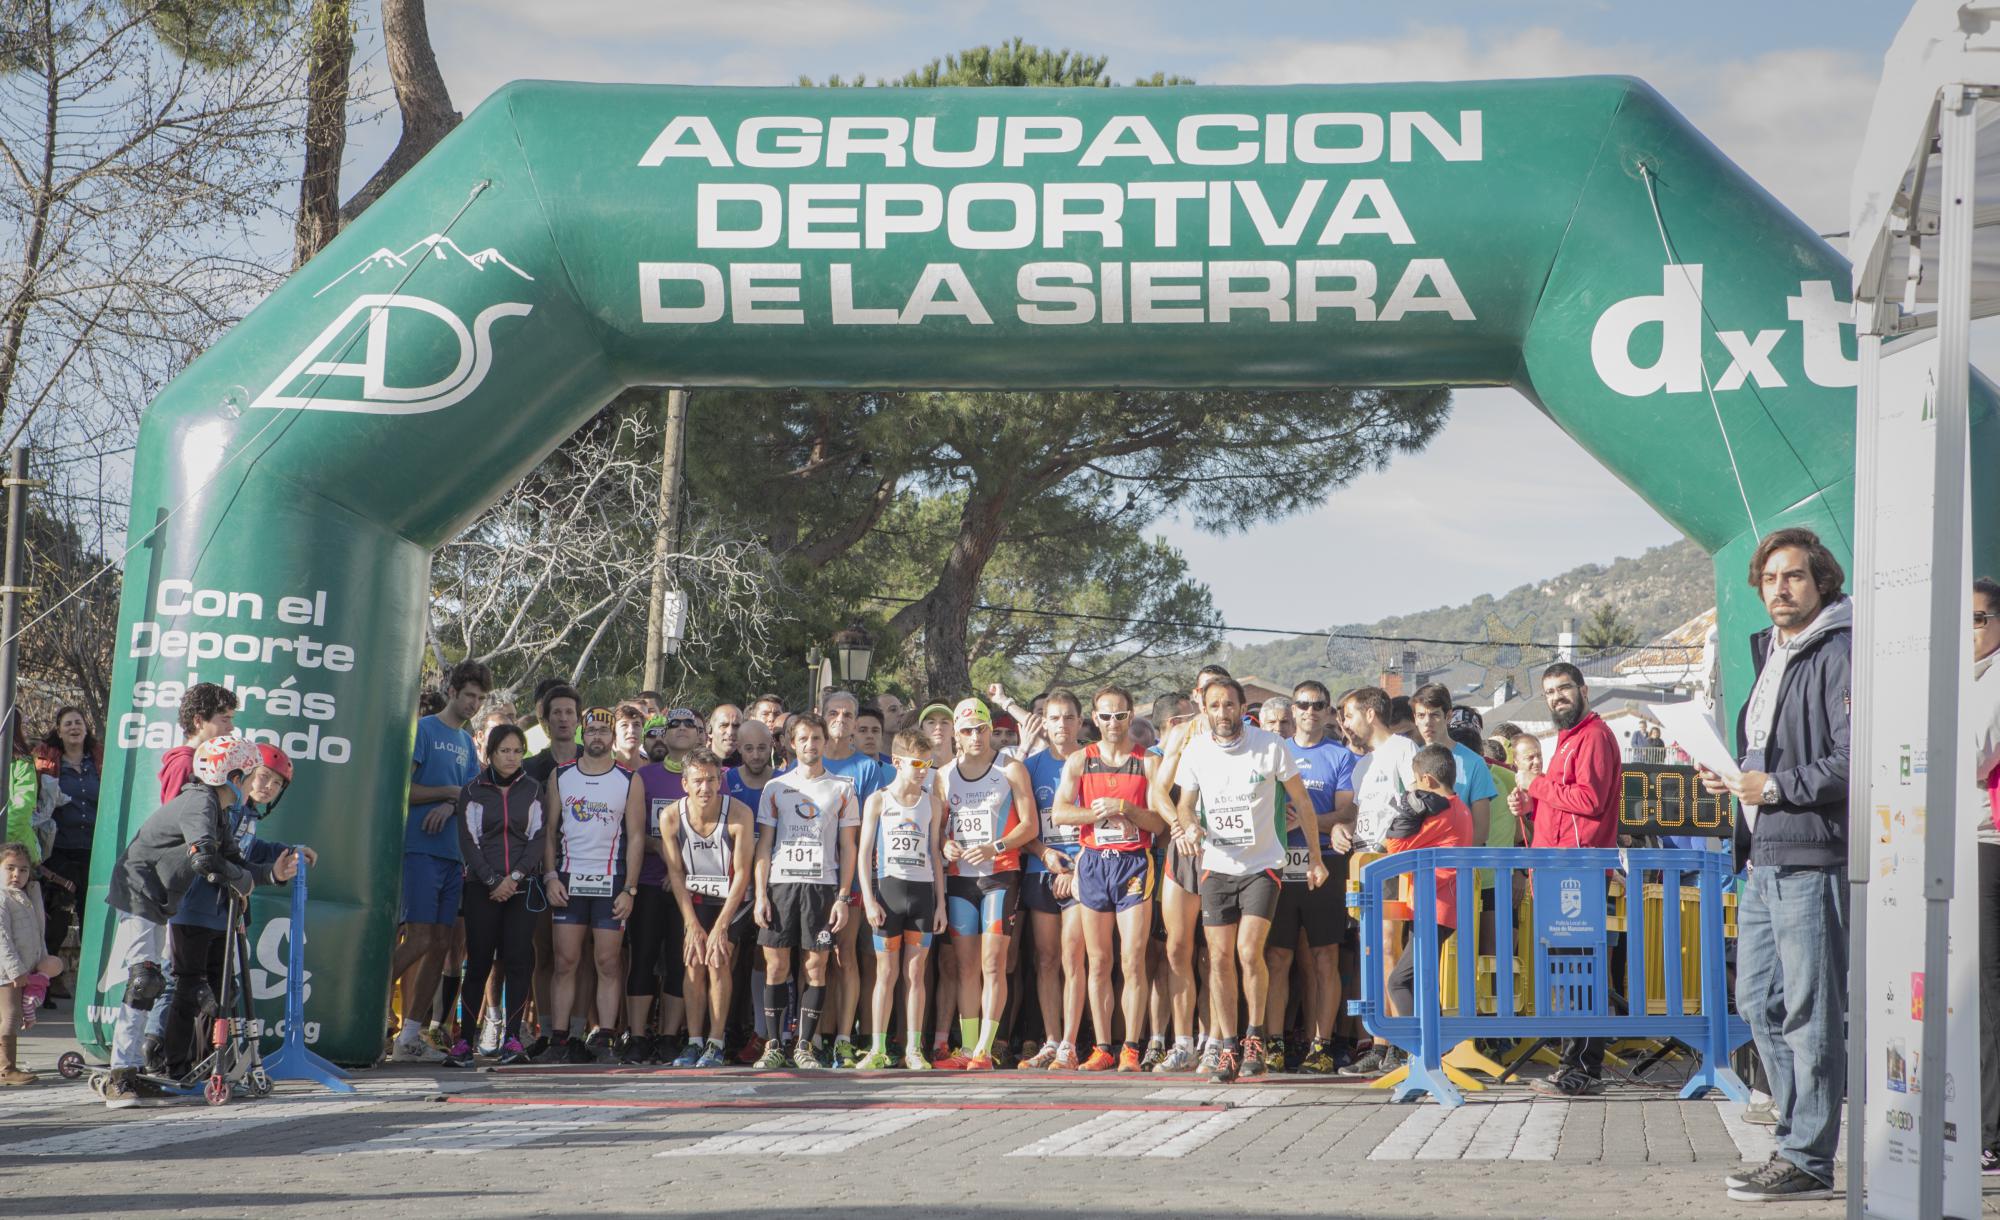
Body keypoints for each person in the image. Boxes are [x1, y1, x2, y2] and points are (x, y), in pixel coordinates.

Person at [1698, 527, 1853, 1203]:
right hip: (1764, 853)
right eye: (1769, 579)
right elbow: (1767, 754)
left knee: (1811, 1013)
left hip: (1813, 851)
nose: (1780, 588)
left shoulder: (1838, 650)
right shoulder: (1773, 655)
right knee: (1757, 999)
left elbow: (1856, 755)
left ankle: (1810, 1157)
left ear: (1822, 580)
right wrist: (1736, 780)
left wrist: (1779, 788)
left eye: (1793, 576)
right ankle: (1796, 1136)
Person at [103, 735, 294, 1107]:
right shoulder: (199, 802)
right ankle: (120, 1076)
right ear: (234, 776)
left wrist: (272, 873)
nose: (252, 781)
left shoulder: (217, 811)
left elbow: (235, 862)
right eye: (249, 773)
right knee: (145, 979)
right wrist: (243, 879)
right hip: (139, 887)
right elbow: (204, 859)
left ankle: (133, 1069)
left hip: (158, 896)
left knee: (155, 980)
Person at [1169, 678, 1325, 1083]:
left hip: (1262, 865)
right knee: (1218, 958)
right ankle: (1227, 1044)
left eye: (1230, 705)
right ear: (1205, 709)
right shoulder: (1197, 750)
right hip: (1217, 866)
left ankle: (1255, 1036)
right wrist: (1189, 827)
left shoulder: (1270, 746)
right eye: (1215, 706)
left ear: (1242, 707)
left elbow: (1302, 802)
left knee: (1247, 950)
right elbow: (1185, 804)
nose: (1223, 713)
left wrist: (1316, 858)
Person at [153, 746, 314, 1078]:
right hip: (194, 909)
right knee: (190, 987)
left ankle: (209, 1059)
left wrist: (287, 851)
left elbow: (250, 849)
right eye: (263, 777)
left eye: (276, 784)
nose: (267, 786)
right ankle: (169, 1060)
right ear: (243, 775)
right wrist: (267, 873)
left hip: (220, 914)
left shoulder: (246, 816)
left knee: (220, 989)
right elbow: (227, 859)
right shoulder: (228, 811)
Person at [1507, 662, 1621, 1097]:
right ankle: (1573, 1064)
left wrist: (1535, 785)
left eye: (1564, 689)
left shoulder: (1592, 735)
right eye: (1550, 692)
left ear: (1584, 690)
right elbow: (1561, 807)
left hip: (1579, 871)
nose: (1557, 697)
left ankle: (1584, 1069)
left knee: (1581, 972)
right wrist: (1530, 805)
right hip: (1558, 870)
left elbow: (1589, 801)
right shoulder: (1568, 740)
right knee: (1567, 972)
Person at [1053, 685, 1164, 1072]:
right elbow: (1059, 813)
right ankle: (1102, 1047)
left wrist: (1127, 809)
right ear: (1094, 719)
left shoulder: (1147, 762)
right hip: (1095, 864)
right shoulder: (1081, 761)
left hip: (1134, 865)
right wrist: (1096, 815)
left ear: (1131, 716)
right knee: (1098, 961)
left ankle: (1131, 1046)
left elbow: (1160, 822)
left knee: (1132, 959)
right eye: (1105, 716)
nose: (1113, 723)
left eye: (1120, 715)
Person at [388, 660, 488, 1063]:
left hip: (453, 855)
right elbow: (404, 791)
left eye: (480, 699)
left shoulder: (467, 743)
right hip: (419, 849)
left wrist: (451, 803)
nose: (473, 704)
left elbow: (470, 799)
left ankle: (410, 1036)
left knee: (444, 944)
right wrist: (450, 792)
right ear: (452, 690)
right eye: (468, 696)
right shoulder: (425, 730)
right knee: (421, 937)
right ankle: (363, 1008)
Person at [936, 697, 1039, 1071]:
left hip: (999, 876)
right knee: (965, 968)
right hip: (960, 879)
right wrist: (944, 844)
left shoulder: (1011, 769)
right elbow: (938, 828)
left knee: (993, 964)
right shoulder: (944, 774)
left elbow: (1029, 826)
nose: (976, 737)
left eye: (982, 729)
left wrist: (995, 845)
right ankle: (966, 1049)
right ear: (956, 737)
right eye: (967, 731)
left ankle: (985, 1048)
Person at [752, 714, 860, 1070]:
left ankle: (804, 1046)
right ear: (791, 743)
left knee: (816, 967)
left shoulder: (842, 787)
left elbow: (849, 848)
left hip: (822, 887)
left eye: (817, 738)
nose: (811, 745)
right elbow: (764, 845)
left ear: (825, 742)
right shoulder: (775, 788)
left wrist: (843, 897)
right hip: (781, 885)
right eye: (803, 739)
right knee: (776, 966)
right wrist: (761, 894)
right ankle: (773, 1044)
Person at [541, 707, 648, 1063]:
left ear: (612, 738)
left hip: (611, 880)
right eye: (592, 731)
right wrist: (550, 875)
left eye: (604, 731)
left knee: (608, 961)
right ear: (581, 735)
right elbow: (550, 833)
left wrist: (629, 889)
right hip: (569, 879)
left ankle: (604, 1038)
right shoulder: (561, 775)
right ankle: (558, 1039)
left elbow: (635, 838)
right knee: (565, 961)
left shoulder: (629, 779)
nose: (598, 737)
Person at [1148, 662, 1235, 1074]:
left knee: (1217, 955)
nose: (1211, 702)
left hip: (1227, 853)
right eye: (1204, 693)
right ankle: (1183, 1043)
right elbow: (1158, 792)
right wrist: (1178, 825)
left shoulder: (1245, 737)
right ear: (1196, 696)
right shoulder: (1184, 733)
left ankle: (1216, 1040)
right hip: (1185, 850)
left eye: (1220, 695)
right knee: (1177, 949)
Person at [447, 724, 545, 1068]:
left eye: (518, 751)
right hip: (481, 887)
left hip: (522, 887)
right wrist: (492, 880)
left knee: (519, 961)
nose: (512, 757)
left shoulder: (532, 788)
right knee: (478, 964)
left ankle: (514, 1038)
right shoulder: (473, 790)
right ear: (490, 754)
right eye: (505, 750)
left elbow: (536, 839)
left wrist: (515, 878)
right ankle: (464, 1042)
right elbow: (468, 841)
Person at [856, 731, 948, 1070]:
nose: (923, 770)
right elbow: (864, 854)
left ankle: (913, 1048)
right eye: (917, 764)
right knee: (886, 973)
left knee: (916, 973)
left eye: (928, 764)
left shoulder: (931, 802)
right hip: (889, 894)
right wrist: (869, 899)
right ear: (897, 762)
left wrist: (940, 904)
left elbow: (936, 856)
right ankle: (877, 1048)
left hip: (922, 895)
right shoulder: (879, 800)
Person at [1280, 680, 1357, 1074]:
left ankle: (1321, 1046)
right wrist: (1283, 819)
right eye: (1304, 704)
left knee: (1324, 957)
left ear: (1329, 713)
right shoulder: (1277, 751)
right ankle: (1274, 1042)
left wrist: (1307, 819)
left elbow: (1346, 814)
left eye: (1319, 706)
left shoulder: (1340, 756)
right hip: (1278, 864)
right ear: (1292, 710)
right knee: (1279, 958)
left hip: (1323, 862)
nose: (1311, 711)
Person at [662, 748, 755, 1069]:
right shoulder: (671, 816)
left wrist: (720, 927)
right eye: (698, 781)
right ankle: (693, 1041)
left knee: (717, 960)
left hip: (734, 899)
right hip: (696, 896)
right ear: (685, 783)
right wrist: (691, 924)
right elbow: (675, 872)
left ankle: (716, 1041)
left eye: (712, 780)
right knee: (693, 961)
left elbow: (743, 873)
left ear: (721, 781)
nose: (706, 788)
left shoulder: (739, 813)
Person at [820, 691, 890, 1067]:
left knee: (846, 957)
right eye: (834, 713)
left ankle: (845, 1038)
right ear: (821, 715)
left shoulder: (866, 767)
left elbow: (867, 828)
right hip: (810, 875)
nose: (841, 719)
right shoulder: (807, 757)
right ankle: (814, 1035)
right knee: (815, 960)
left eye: (848, 714)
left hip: (851, 877)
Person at [1017, 691, 1087, 1069]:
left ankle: (1071, 1045)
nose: (1061, 725)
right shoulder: (1030, 766)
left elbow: (1102, 823)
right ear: (1044, 722)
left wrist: (1075, 868)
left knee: (1074, 957)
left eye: (1068, 718)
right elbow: (1023, 826)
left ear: (1080, 721)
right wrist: (1045, 854)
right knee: (1045, 960)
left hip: (1085, 871)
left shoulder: (1091, 762)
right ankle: (1051, 1039)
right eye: (1054, 718)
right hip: (1040, 870)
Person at [1380, 746, 1475, 1023]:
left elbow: (1395, 847)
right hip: (1436, 906)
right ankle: (1436, 1045)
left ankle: (1422, 1048)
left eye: (1416, 781)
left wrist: (1407, 814)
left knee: (1398, 982)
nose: (1414, 789)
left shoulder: (1444, 814)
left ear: (1428, 781)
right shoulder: (1459, 808)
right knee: (1423, 982)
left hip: (1434, 907)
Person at [627, 705, 699, 1063]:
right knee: (640, 958)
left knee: (679, 962)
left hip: (691, 887)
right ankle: (638, 1037)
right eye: (674, 724)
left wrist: (682, 873)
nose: (682, 728)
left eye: (691, 723)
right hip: (650, 882)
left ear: (701, 735)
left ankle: (671, 1036)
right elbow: (637, 834)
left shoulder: (713, 777)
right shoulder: (645, 776)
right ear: (661, 735)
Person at [725, 718, 778, 1063]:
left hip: (777, 881)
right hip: (731, 883)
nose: (756, 755)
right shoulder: (726, 781)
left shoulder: (785, 781)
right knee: (727, 957)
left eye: (762, 747)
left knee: (768, 956)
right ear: (738, 749)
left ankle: (765, 1032)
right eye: (749, 748)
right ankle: (722, 1033)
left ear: (772, 745)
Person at [38, 706, 100, 970]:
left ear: (86, 729)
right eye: (68, 724)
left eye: (79, 723)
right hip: (60, 851)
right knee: (57, 922)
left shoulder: (98, 762)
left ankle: (91, 981)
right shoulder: (50, 764)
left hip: (94, 851)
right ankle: (45, 985)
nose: (74, 728)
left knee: (92, 918)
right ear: (59, 732)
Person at [0, 841, 63, 1085]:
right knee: (10, 1017)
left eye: (23, 870)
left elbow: (35, 934)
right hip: (7, 971)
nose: (17, 874)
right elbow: (2, 938)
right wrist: (16, 970)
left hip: (20, 969)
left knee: (11, 1016)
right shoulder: (3, 899)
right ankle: (7, 1068)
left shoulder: (22, 897)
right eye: (10, 868)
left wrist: (40, 961)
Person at [1975, 577, 2000, 1173]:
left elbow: (1973, 750)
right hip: (1958, 842)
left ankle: (1993, 1131)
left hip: (1988, 844)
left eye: (1976, 619)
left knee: (1987, 991)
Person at [1409, 684, 1497, 849]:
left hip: (1459, 865)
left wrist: (1447, 860)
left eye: (1434, 715)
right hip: (1420, 863)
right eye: (1421, 715)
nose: (1427, 722)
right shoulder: (1409, 759)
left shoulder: (1474, 763)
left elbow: (1481, 831)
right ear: (1415, 718)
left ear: (1448, 716)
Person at [157, 684, 237, 803]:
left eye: (231, 719)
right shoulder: (184, 764)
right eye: (224, 720)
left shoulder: (205, 761)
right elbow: (174, 817)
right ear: (198, 721)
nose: (231, 727)